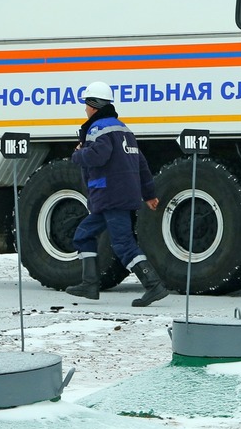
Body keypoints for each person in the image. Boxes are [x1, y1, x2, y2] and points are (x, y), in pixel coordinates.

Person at [67, 80, 169, 307]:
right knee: (83, 234)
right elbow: (141, 163)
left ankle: (153, 285)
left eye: (86, 104)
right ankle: (90, 284)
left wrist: (78, 154)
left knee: (123, 244)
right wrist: (149, 194)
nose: (85, 109)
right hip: (116, 196)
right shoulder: (123, 129)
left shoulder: (98, 129)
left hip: (110, 195)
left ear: (93, 105)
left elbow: (98, 156)